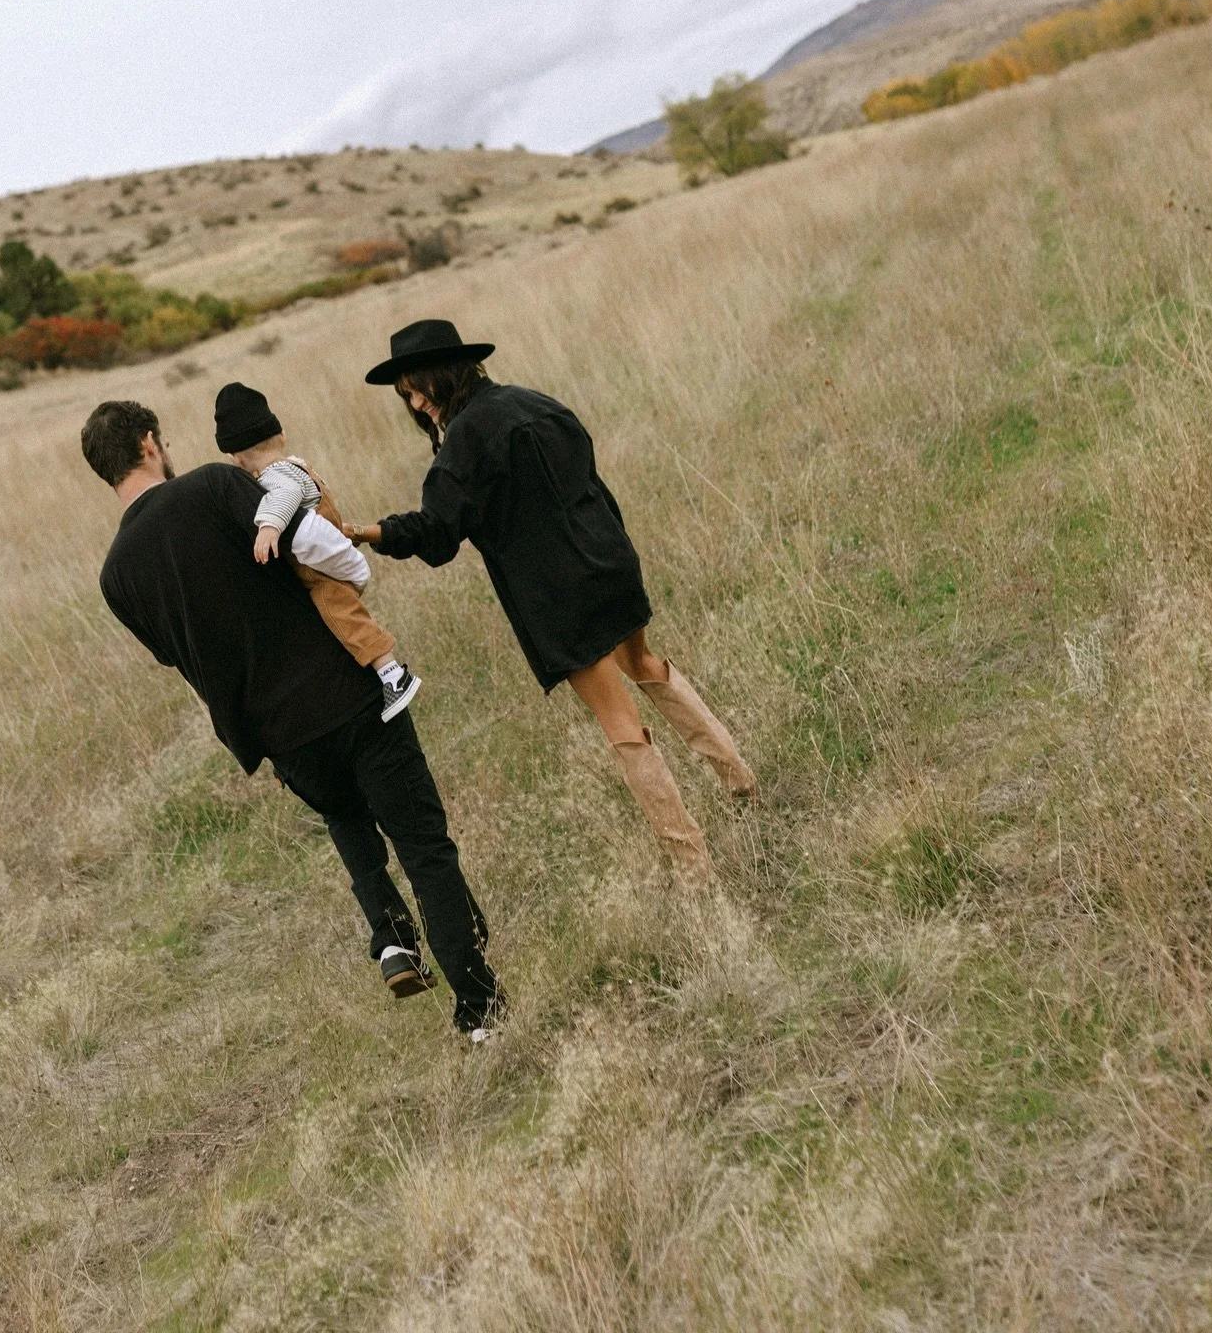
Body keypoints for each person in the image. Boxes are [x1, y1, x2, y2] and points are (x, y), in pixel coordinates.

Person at [81, 397, 503, 1038]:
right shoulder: (215, 485)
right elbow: (306, 549)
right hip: (347, 694)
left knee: (346, 818)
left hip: (278, 737)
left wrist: (260, 743)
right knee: (425, 849)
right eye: (159, 440)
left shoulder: (116, 577)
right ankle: (480, 1012)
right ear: (147, 443)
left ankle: (393, 937)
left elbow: (186, 662)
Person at [345, 320, 756, 885]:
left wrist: (370, 532)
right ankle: (739, 780)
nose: (415, 405)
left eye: (415, 390)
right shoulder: (537, 403)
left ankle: (694, 869)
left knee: (620, 722)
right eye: (407, 398)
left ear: (441, 379)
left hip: (558, 594)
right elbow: (594, 480)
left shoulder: (464, 440)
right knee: (645, 665)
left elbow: (437, 536)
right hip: (611, 560)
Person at [212, 380, 420, 721]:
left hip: (319, 568)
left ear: (237, 460)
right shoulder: (295, 463)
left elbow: (286, 495)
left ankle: (392, 674)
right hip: (329, 550)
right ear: (281, 436)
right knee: (345, 614)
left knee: (342, 615)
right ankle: (384, 672)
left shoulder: (274, 476)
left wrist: (268, 526)